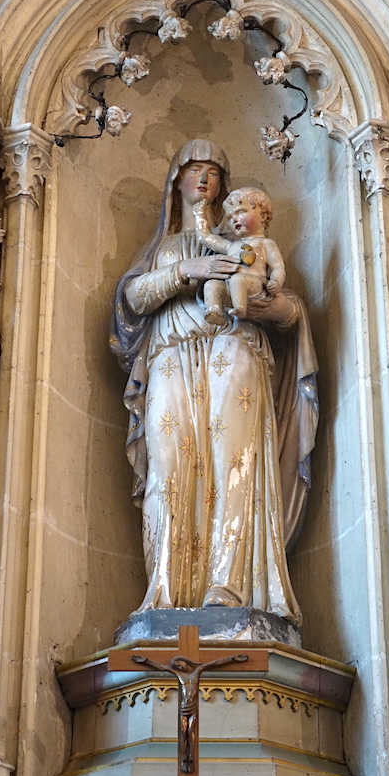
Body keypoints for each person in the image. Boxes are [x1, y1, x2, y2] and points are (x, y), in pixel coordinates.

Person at [110, 140, 318, 624]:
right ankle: (165, 592)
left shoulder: (247, 240)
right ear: (176, 181)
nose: (203, 179)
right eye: (193, 170)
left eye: (212, 172)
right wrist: (189, 269)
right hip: (170, 355)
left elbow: (287, 310)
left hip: (235, 347)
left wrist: (268, 303)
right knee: (169, 468)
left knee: (235, 461)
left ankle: (232, 586)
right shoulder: (163, 247)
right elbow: (134, 299)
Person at [193, 187, 286, 324]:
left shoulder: (266, 243)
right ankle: (214, 312)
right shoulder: (231, 246)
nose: (234, 219)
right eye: (230, 217)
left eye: (240, 212)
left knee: (238, 279)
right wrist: (199, 215)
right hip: (232, 287)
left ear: (263, 215)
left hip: (256, 286)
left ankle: (240, 308)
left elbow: (278, 266)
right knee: (211, 284)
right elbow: (206, 238)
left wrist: (276, 282)